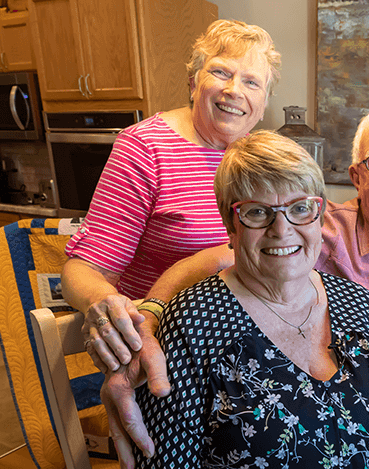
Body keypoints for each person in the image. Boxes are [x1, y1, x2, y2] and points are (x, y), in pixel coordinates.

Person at [97, 107, 369, 466]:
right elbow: (213, 260)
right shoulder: (315, 227)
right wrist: (149, 319)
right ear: (356, 176)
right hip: (352, 421)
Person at [60, 20, 281, 371]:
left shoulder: (261, 156)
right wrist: (103, 302)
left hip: (244, 341)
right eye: (221, 72)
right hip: (161, 343)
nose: (234, 90)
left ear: (265, 100)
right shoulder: (145, 148)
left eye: (252, 82)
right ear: (194, 83)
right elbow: (84, 269)